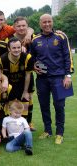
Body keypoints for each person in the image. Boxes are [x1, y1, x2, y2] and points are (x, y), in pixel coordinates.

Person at [30, 14, 74, 144]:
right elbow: (31, 58)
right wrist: (33, 67)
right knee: (44, 105)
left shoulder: (61, 36)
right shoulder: (35, 40)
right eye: (44, 22)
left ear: (52, 22)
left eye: (49, 22)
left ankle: (59, 133)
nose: (47, 24)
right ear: (40, 24)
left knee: (59, 105)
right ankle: (47, 130)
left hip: (59, 77)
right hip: (42, 78)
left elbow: (68, 56)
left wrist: (68, 75)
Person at [0, 37, 33, 125]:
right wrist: (5, 80)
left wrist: (25, 91)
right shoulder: (1, 59)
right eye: (14, 48)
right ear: (9, 49)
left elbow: (28, 75)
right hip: (10, 84)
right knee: (9, 103)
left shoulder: (27, 57)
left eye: (18, 47)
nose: (16, 50)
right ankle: (8, 124)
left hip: (24, 83)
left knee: (26, 101)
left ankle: (27, 124)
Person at [12, 17, 36, 130]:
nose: (21, 28)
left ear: (27, 27)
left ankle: (28, 122)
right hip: (14, 74)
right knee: (14, 99)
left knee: (28, 98)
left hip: (28, 73)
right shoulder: (11, 39)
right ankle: (13, 121)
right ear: (14, 27)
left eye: (24, 26)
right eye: (18, 26)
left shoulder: (33, 37)